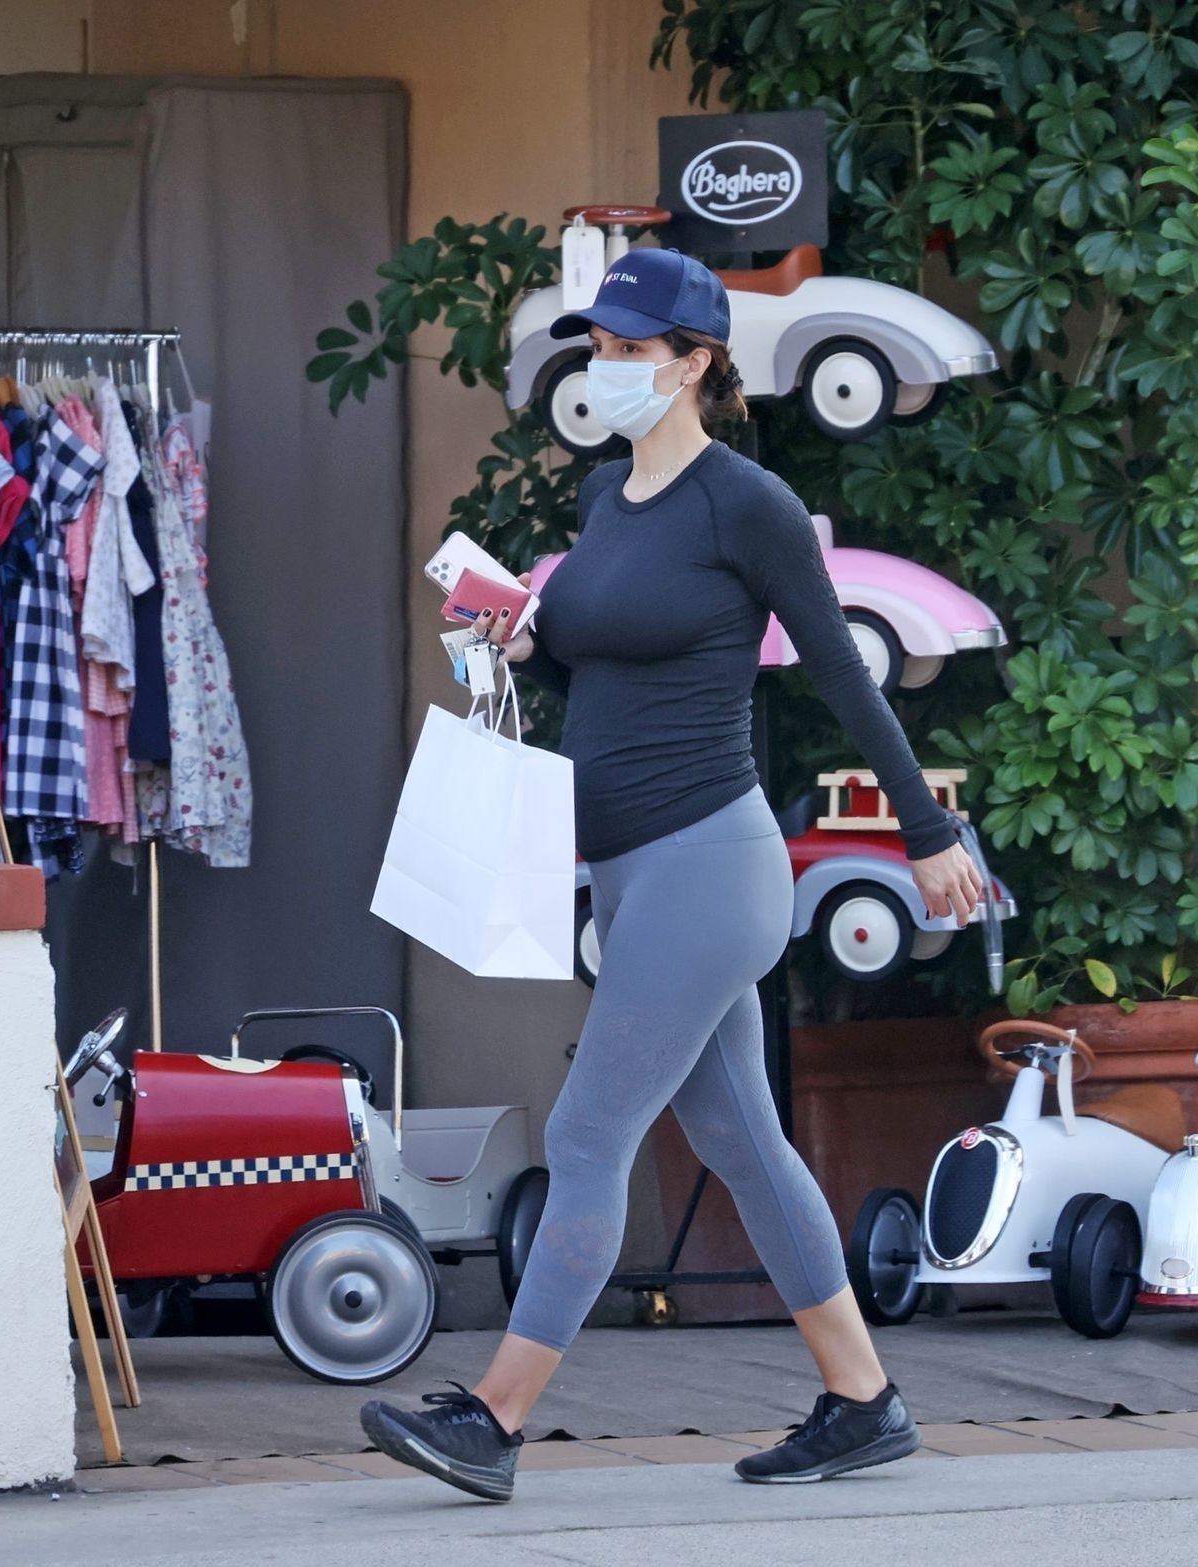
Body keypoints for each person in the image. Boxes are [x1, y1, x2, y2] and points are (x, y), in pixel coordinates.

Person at [359, 248, 983, 1501]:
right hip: (628, 869)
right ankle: (864, 1399)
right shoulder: (609, 496)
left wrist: (926, 830)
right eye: (599, 348)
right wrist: (520, 643)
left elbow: (840, 670)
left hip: (709, 863)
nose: (608, 367)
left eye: (632, 350)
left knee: (589, 1128)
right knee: (743, 1140)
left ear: (696, 363)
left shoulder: (746, 504)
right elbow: (599, 667)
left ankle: (495, 1419)